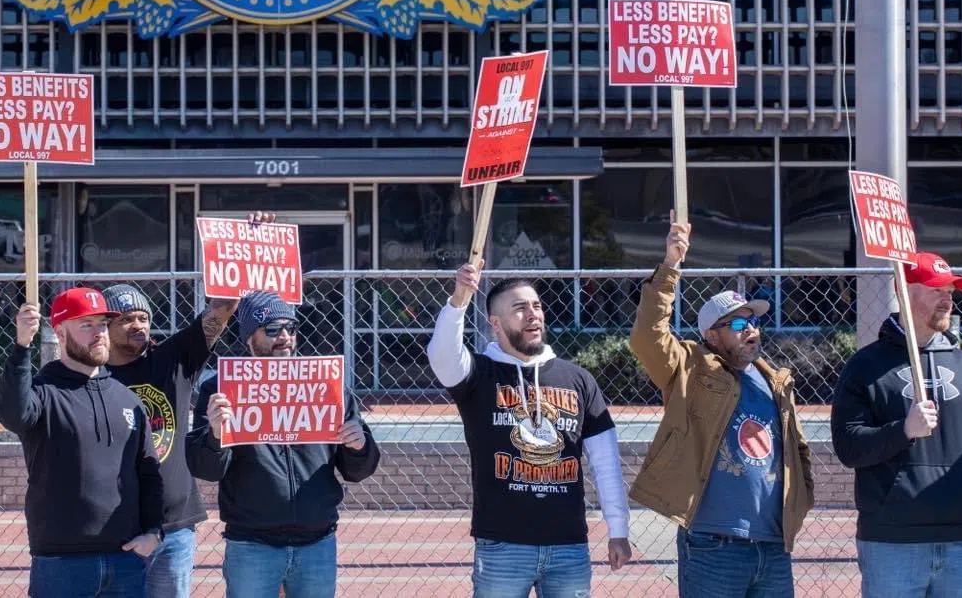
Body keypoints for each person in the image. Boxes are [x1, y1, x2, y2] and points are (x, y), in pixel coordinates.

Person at [628, 214, 814, 598]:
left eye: (753, 322)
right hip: (713, 546)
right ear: (712, 336)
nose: (751, 330)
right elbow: (648, 336)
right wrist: (671, 265)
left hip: (773, 546)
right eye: (737, 325)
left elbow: (797, 451)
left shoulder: (776, 382)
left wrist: (802, 497)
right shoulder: (690, 369)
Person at [427, 260, 631, 597]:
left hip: (568, 546)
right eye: (520, 309)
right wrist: (459, 300)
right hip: (502, 547)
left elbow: (605, 461)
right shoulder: (479, 373)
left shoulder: (578, 380)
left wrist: (618, 530)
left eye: (536, 306)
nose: (533, 314)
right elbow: (442, 356)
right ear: (495, 323)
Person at [101, 212, 270, 598]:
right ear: (104, 327)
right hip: (112, 527)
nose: (138, 325)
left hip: (173, 526)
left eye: (143, 317)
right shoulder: (91, 377)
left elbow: (222, 309)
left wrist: (246, 243)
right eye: (126, 319)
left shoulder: (171, 360)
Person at [831, 251, 962, 598]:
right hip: (891, 541)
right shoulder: (865, 367)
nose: (947, 299)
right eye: (936, 290)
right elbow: (848, 446)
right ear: (903, 291)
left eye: (951, 291)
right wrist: (903, 431)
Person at [186, 290, 380, 598]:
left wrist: (359, 446)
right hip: (252, 544)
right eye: (273, 329)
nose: (285, 337)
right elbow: (206, 469)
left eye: (291, 327)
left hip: (317, 541)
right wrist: (215, 435)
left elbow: (357, 471)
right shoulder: (221, 388)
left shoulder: (324, 384)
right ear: (249, 337)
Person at [0, 286, 164, 598]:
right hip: (61, 563)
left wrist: (154, 532)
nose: (99, 333)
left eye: (102, 324)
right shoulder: (44, 393)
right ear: (60, 333)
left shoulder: (127, 399)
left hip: (125, 560)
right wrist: (22, 345)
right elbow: (13, 415)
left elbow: (148, 472)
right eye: (86, 325)